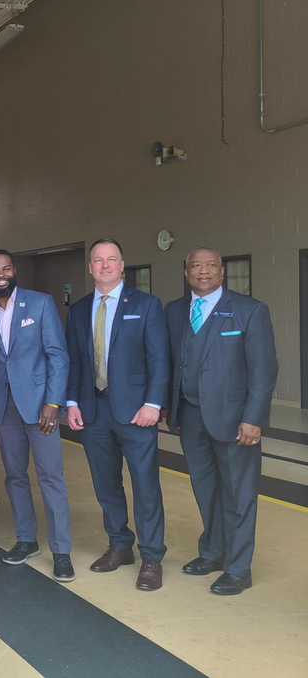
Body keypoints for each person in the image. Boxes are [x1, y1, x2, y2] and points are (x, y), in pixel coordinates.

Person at [166, 247, 278, 595]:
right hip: (190, 417)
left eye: (211, 265)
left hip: (234, 421)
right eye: (196, 266)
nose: (203, 271)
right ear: (186, 273)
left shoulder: (249, 310)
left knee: (239, 494)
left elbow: (264, 370)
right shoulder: (173, 312)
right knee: (206, 490)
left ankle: (239, 568)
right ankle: (213, 552)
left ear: (222, 272)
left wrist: (253, 418)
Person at [66, 238, 170, 591]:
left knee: (145, 485)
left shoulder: (147, 304)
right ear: (90, 267)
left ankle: (152, 555)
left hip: (137, 412)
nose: (105, 265)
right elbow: (76, 362)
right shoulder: (79, 310)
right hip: (94, 409)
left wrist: (154, 404)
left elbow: (159, 359)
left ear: (123, 265)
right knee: (105, 484)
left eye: (112, 259)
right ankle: (120, 544)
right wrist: (72, 402)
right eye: (98, 260)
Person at [0, 250, 74, 582]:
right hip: (3, 406)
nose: (1, 274)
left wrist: (53, 402)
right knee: (15, 477)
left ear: (15, 271)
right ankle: (26, 540)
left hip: (40, 406)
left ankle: (61, 551)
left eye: (6, 268)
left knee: (51, 477)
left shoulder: (40, 303)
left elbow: (58, 356)